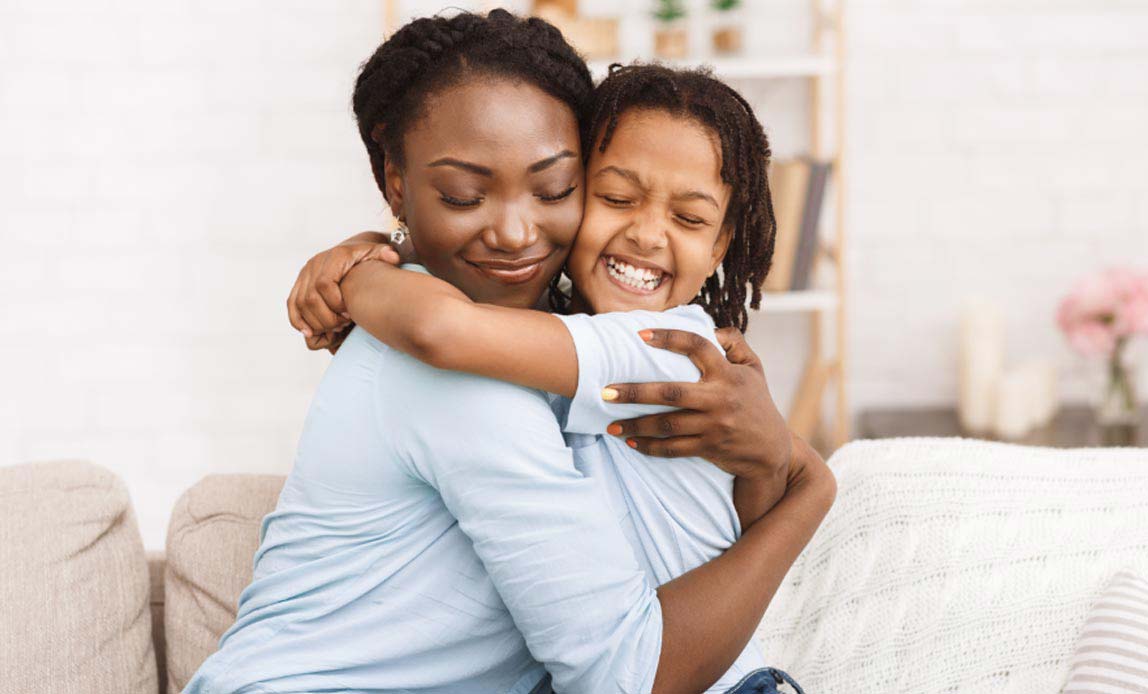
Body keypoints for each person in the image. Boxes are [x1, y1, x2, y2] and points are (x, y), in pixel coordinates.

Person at [188, 10, 834, 694]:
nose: (516, 232)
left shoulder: (614, 343)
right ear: (395, 184)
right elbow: (627, 676)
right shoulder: (460, 367)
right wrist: (807, 489)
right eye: (465, 194)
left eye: (554, 188)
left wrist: (366, 265)